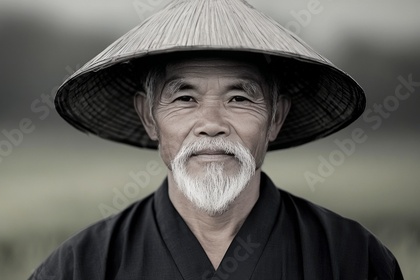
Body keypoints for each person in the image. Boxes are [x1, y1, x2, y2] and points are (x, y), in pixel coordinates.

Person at [30, 0, 403, 279]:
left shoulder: (351, 257)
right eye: (185, 98)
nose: (211, 124)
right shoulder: (83, 266)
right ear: (149, 116)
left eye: (239, 98)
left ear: (275, 117)